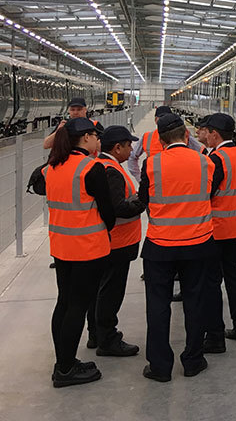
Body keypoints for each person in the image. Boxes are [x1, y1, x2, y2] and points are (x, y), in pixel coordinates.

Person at [139, 113, 216, 382]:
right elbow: (210, 194)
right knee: (195, 302)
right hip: (198, 243)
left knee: (158, 306)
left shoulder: (151, 163)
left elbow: (143, 199)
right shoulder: (206, 162)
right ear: (187, 135)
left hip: (160, 245)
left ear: (160, 140)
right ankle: (193, 360)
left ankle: (160, 367)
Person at [39, 118, 114, 387]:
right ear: (85, 138)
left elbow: (38, 185)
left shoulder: (51, 167)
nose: (98, 141)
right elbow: (108, 210)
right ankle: (66, 369)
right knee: (78, 307)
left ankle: (63, 361)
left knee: (64, 303)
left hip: (61, 247)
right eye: (96, 136)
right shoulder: (90, 168)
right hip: (88, 249)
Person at [85, 125, 145, 357]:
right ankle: (108, 339)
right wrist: (143, 200)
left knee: (100, 289)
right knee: (110, 292)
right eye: (129, 145)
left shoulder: (103, 166)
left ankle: (96, 334)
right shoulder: (110, 170)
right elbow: (119, 208)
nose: (132, 150)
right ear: (117, 147)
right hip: (117, 243)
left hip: (110, 242)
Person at [202, 113, 236, 354]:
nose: (205, 136)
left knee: (211, 283)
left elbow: (207, 193)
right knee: (234, 276)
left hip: (216, 228)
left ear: (215, 133)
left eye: (208, 132)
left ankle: (215, 337)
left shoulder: (217, 159)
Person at [128, 106, 203, 181]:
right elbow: (132, 157)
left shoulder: (184, 135)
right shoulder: (147, 137)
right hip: (156, 183)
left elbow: (200, 152)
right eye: (162, 117)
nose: (165, 120)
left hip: (178, 181)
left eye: (168, 117)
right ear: (155, 120)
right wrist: (139, 178)